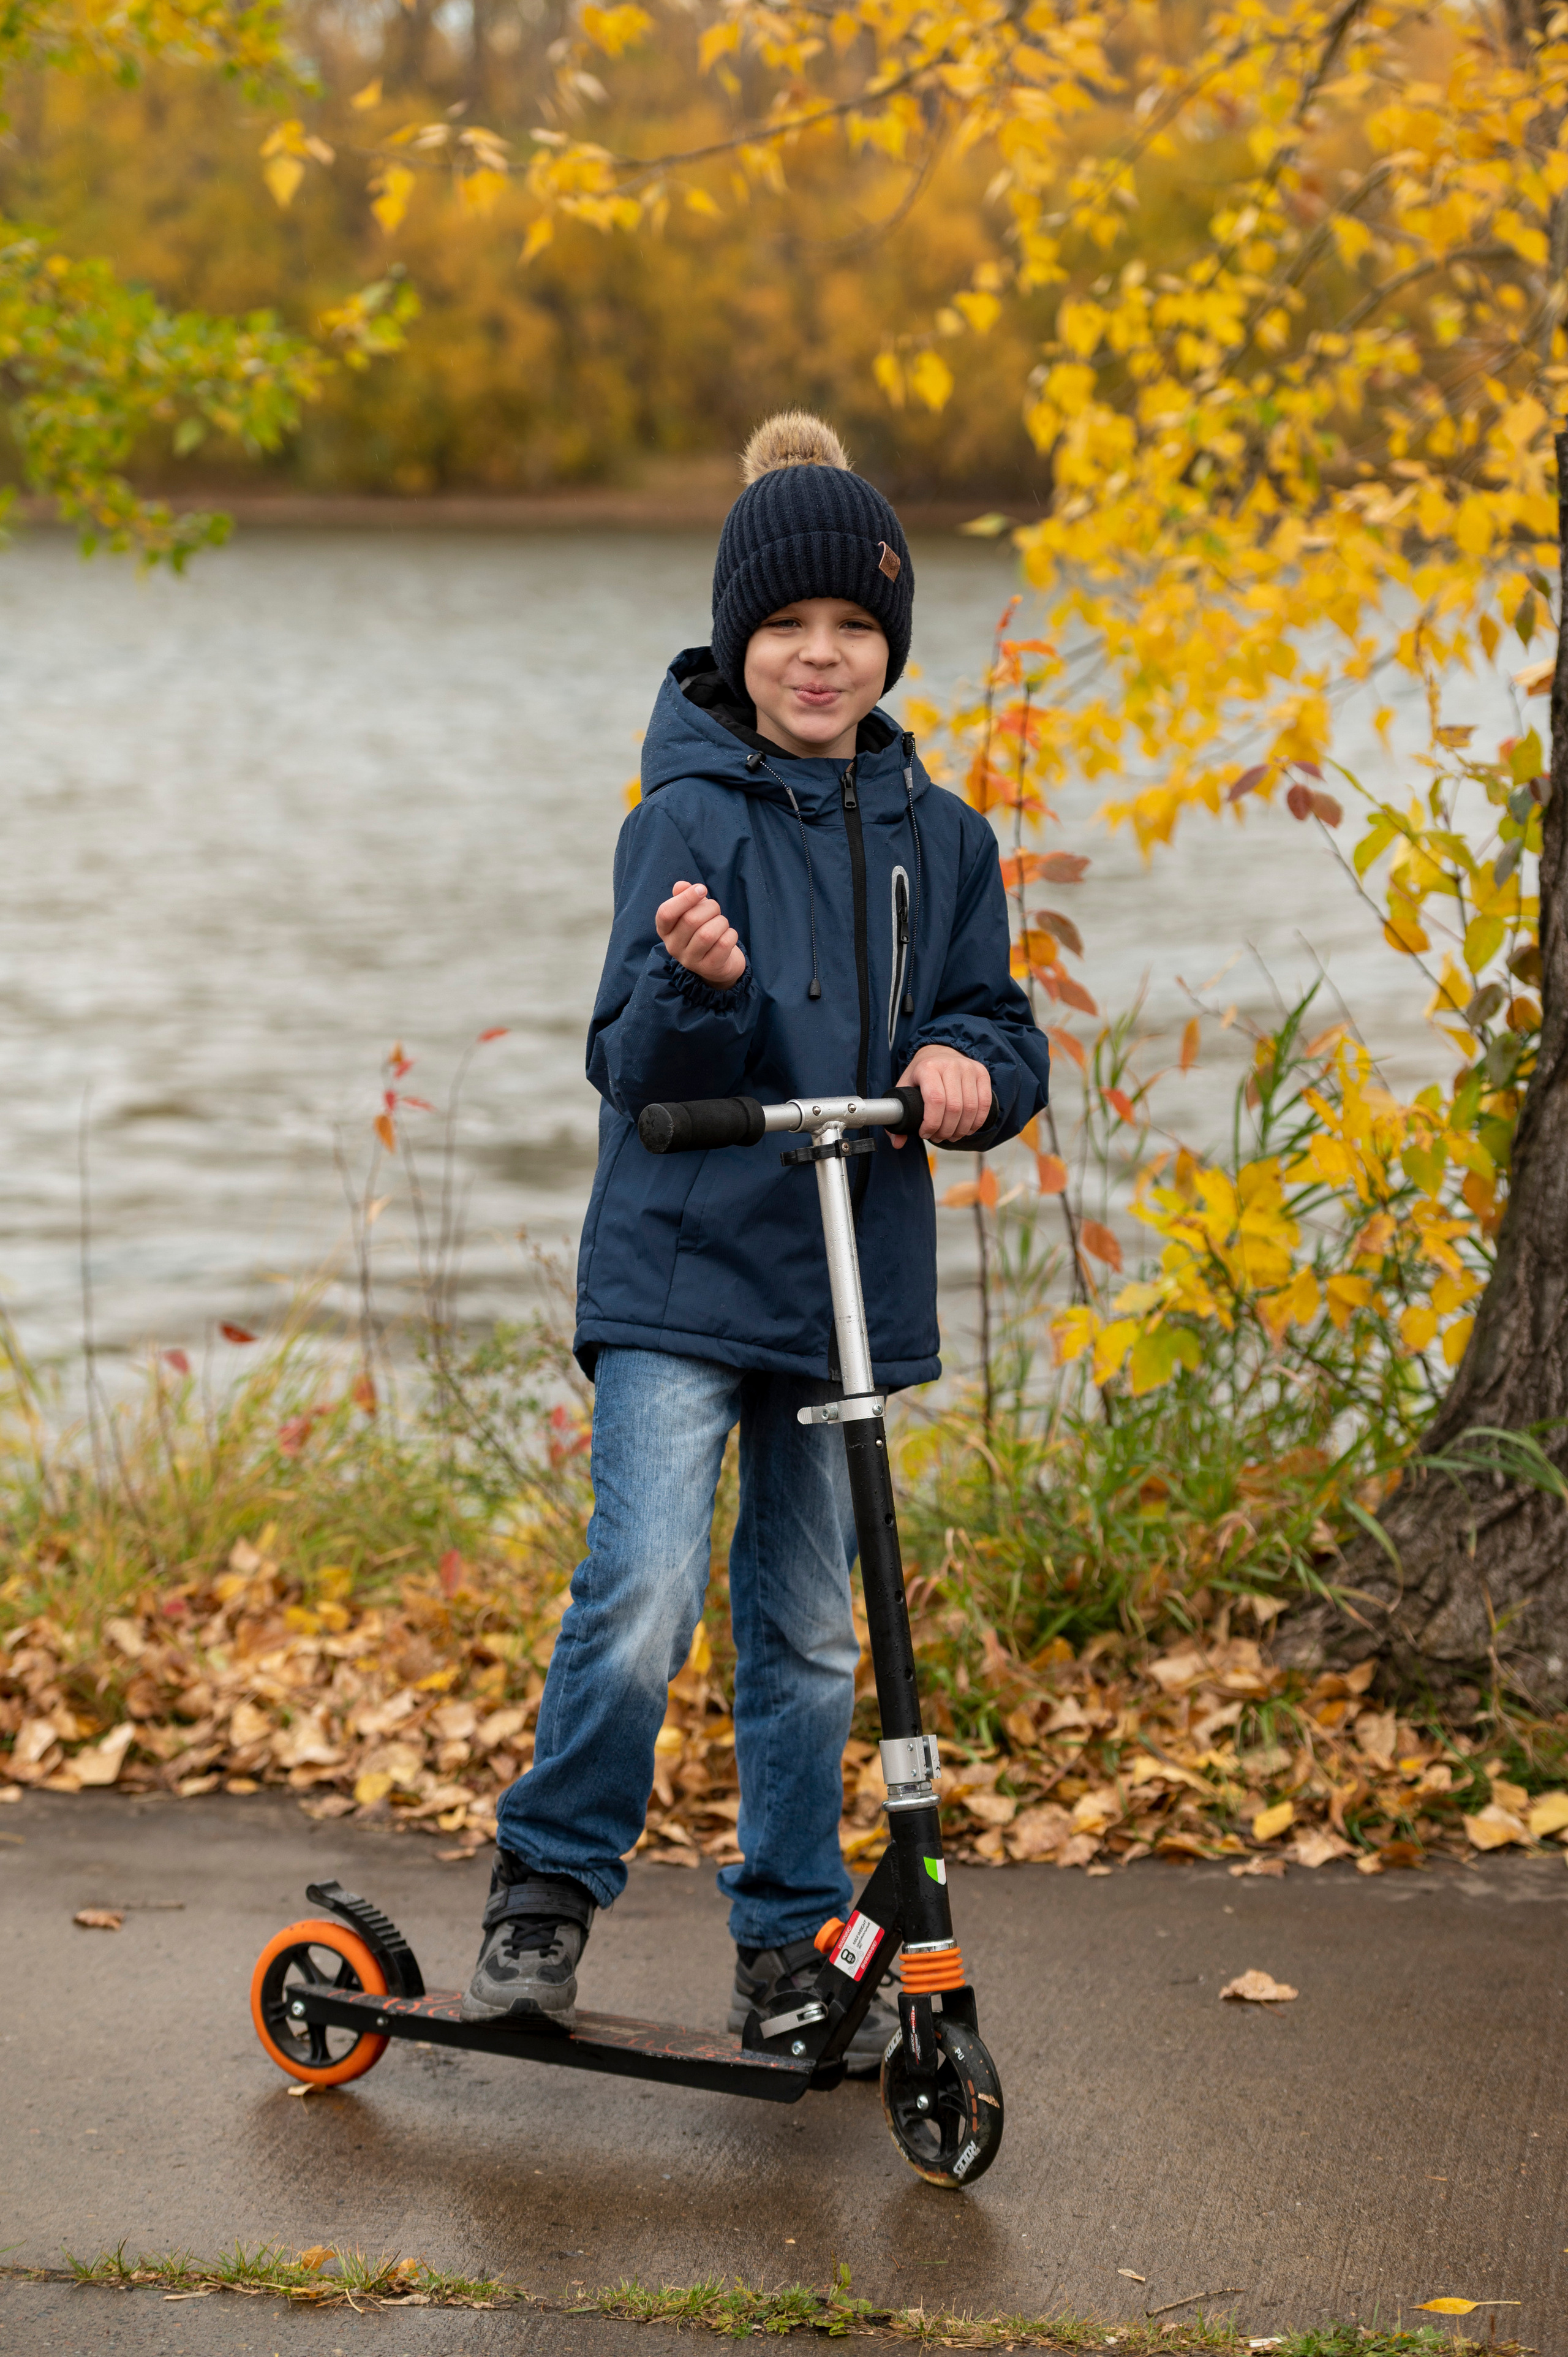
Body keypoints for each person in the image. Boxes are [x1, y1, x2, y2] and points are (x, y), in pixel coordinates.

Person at [462, 410, 1051, 2070]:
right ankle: (547, 1880)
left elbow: (1000, 1033)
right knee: (643, 1586)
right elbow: (628, 1067)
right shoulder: (687, 815)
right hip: (680, 1261)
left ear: (890, 646)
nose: (819, 657)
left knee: (803, 1627)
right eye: (786, 629)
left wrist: (963, 1074)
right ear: (740, 640)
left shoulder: (944, 840)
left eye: (853, 628)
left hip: (839, 1279)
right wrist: (699, 993)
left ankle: (789, 1939)